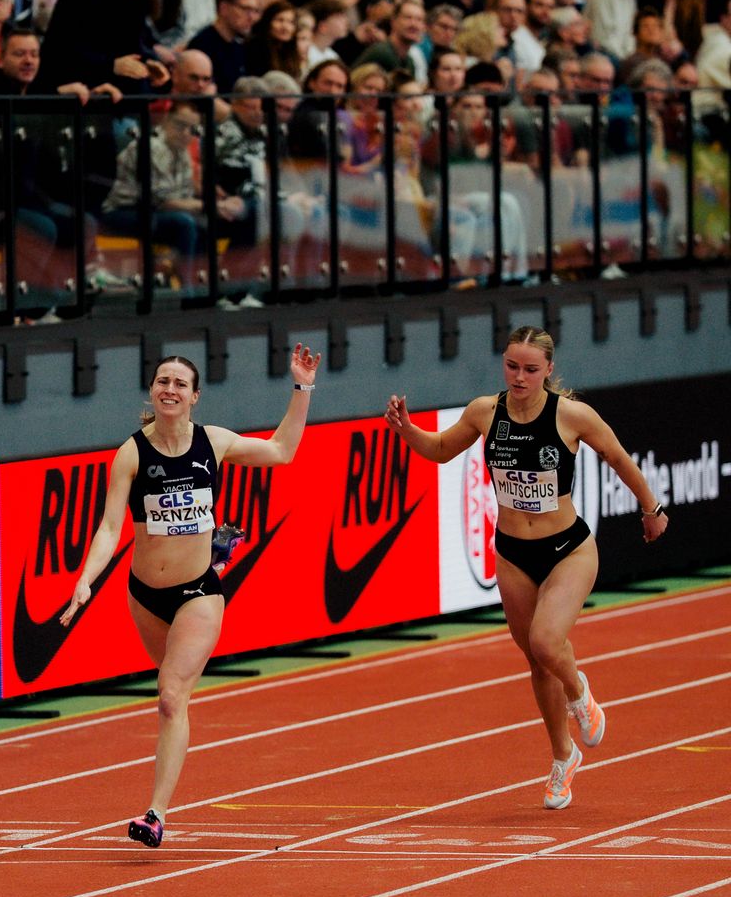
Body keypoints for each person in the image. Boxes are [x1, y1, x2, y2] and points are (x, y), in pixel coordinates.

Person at [384, 327, 670, 810]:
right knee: (536, 660)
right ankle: (563, 757)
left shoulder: (572, 416)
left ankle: (581, 694)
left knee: (546, 639)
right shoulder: (484, 412)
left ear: (549, 371)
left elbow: (619, 458)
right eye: (512, 366)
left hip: (568, 550)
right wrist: (407, 429)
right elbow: (439, 450)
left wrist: (651, 509)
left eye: (531, 369)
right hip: (513, 553)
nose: (520, 377)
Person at [62, 345, 320, 845]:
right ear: (152, 392)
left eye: (180, 384)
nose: (170, 389)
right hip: (144, 594)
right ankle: (221, 547)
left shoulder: (214, 442)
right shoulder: (132, 453)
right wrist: (86, 578)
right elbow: (111, 525)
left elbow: (282, 451)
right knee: (172, 698)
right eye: (163, 381)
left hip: (197, 593)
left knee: (169, 696)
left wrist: (302, 386)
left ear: (195, 396)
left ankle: (155, 815)